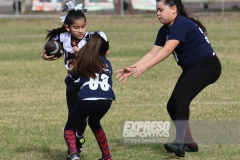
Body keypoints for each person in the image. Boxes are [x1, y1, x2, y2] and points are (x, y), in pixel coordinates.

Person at [114, 0, 221, 158]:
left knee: (181, 99)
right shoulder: (165, 30)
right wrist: (133, 67)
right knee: (172, 105)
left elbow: (167, 50)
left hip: (207, 66)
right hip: (194, 68)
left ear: (173, 9)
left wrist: (144, 68)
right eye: (156, 10)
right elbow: (152, 53)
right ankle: (189, 142)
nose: (158, 13)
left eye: (161, 10)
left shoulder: (181, 24)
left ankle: (179, 143)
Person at [41, 1, 89, 153]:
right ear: (68, 27)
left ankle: (79, 135)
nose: (81, 30)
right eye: (76, 27)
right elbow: (48, 48)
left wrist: (80, 56)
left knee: (83, 120)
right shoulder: (62, 37)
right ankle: (73, 150)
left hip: (88, 81)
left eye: (83, 26)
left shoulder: (90, 39)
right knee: (73, 116)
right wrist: (45, 55)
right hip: (72, 82)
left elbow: (101, 57)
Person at [64, 31, 115, 160]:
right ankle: (107, 157)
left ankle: (73, 155)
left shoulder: (84, 61)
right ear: (107, 51)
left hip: (87, 99)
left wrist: (73, 72)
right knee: (94, 122)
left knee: (70, 127)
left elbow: (69, 80)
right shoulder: (108, 64)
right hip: (107, 100)